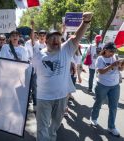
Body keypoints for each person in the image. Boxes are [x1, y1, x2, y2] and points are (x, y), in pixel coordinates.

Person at [32, 12, 93, 141]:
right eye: (53, 38)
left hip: (61, 97)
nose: (56, 41)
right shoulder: (38, 55)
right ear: (46, 40)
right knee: (42, 128)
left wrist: (85, 22)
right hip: (43, 98)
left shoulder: (66, 49)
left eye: (58, 38)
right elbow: (31, 72)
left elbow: (76, 36)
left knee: (54, 126)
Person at [90, 42, 124, 137]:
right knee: (98, 102)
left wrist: (122, 65)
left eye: (114, 51)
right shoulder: (100, 59)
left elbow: (120, 70)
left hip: (115, 85)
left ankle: (111, 127)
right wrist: (112, 65)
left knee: (113, 107)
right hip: (102, 85)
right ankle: (93, 118)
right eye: (110, 51)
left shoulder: (115, 57)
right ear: (105, 50)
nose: (112, 53)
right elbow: (101, 71)